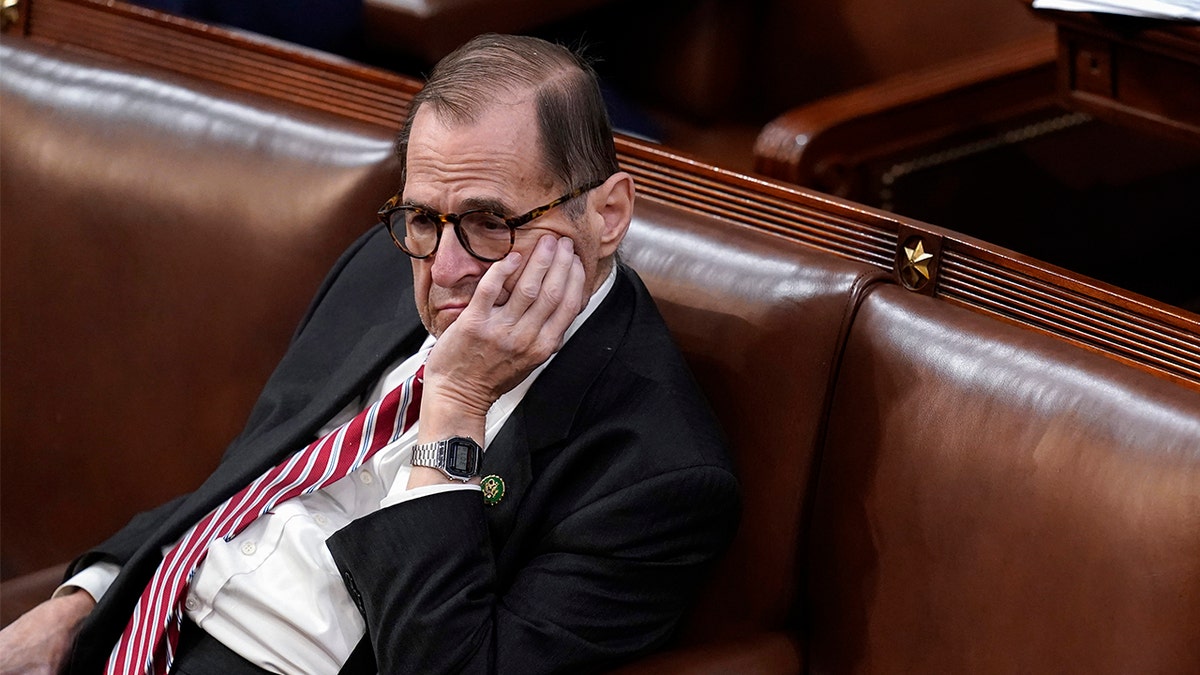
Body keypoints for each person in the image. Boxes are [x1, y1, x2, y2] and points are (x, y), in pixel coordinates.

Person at [0, 33, 739, 675]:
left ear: (606, 213)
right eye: (424, 217)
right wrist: (77, 604)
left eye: (488, 221)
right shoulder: (388, 263)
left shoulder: (656, 477)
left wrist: (456, 410)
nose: (446, 267)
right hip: (140, 625)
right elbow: (243, 476)